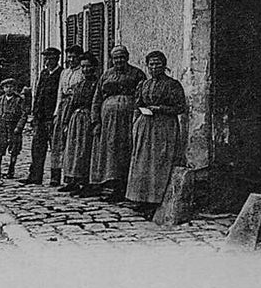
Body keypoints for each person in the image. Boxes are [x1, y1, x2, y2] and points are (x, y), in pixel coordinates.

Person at [126, 51, 186, 218]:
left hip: (164, 127)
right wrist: (136, 122)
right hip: (146, 126)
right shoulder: (144, 84)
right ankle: (141, 199)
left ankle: (156, 200)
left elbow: (180, 107)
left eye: (158, 64)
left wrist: (160, 109)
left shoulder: (172, 85)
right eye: (151, 64)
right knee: (143, 161)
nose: (154, 67)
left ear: (164, 65)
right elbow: (137, 104)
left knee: (159, 161)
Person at [89, 45, 147, 202]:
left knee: (126, 149)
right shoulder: (106, 75)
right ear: (111, 59)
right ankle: (110, 185)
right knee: (110, 151)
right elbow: (97, 98)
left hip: (128, 119)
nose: (119, 60)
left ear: (127, 57)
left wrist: (137, 116)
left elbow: (142, 96)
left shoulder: (137, 74)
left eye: (121, 57)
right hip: (108, 120)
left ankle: (125, 187)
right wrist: (96, 121)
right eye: (115, 58)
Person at [22, 48, 63, 185]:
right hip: (40, 117)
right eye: (46, 59)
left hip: (52, 117)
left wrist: (55, 116)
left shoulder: (61, 74)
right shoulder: (44, 74)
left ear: (57, 59)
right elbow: (38, 94)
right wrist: (34, 114)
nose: (48, 62)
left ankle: (55, 177)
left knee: (55, 148)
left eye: (51, 59)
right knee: (37, 148)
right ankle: (35, 176)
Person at [60, 53, 100, 195]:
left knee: (85, 150)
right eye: (83, 67)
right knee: (73, 150)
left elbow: (97, 103)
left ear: (94, 67)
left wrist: (95, 121)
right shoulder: (78, 85)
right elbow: (71, 104)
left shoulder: (97, 84)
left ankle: (86, 183)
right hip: (75, 119)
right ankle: (73, 180)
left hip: (87, 118)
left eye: (88, 66)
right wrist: (66, 122)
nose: (85, 69)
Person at [49, 45, 84, 187]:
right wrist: (56, 113)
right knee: (57, 142)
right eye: (69, 57)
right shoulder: (64, 72)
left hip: (74, 107)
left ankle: (71, 176)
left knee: (72, 142)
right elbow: (60, 92)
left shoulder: (82, 72)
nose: (71, 60)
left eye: (74, 57)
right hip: (63, 107)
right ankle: (55, 176)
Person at [0, 78, 28, 180]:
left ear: (14, 88)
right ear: (3, 88)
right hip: (2, 127)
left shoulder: (19, 100)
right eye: (6, 87)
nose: (9, 89)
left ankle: (11, 170)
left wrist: (19, 127)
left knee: (14, 148)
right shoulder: (0, 100)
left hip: (13, 126)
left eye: (11, 87)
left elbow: (24, 115)